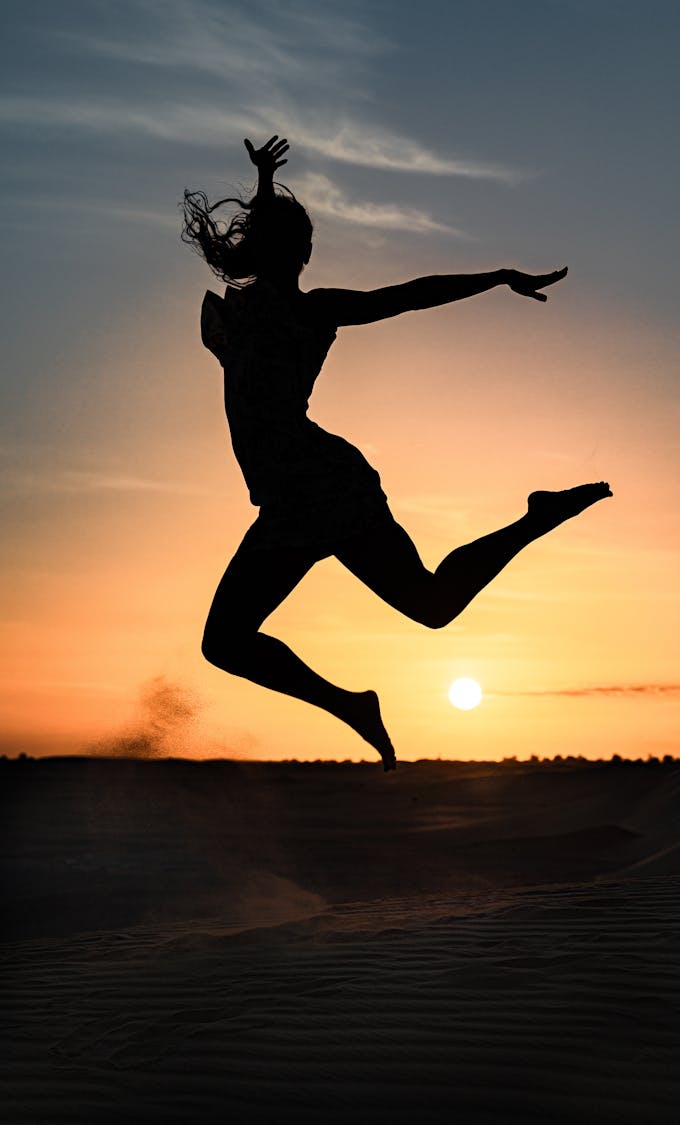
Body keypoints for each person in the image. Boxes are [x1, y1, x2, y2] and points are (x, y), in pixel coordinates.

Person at [181, 135, 612, 772]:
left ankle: (353, 705)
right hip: (299, 494)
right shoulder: (245, 309)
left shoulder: (299, 312)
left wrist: (496, 277)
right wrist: (267, 185)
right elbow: (280, 248)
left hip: (317, 488)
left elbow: (410, 294)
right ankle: (534, 520)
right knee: (424, 606)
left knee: (231, 641)